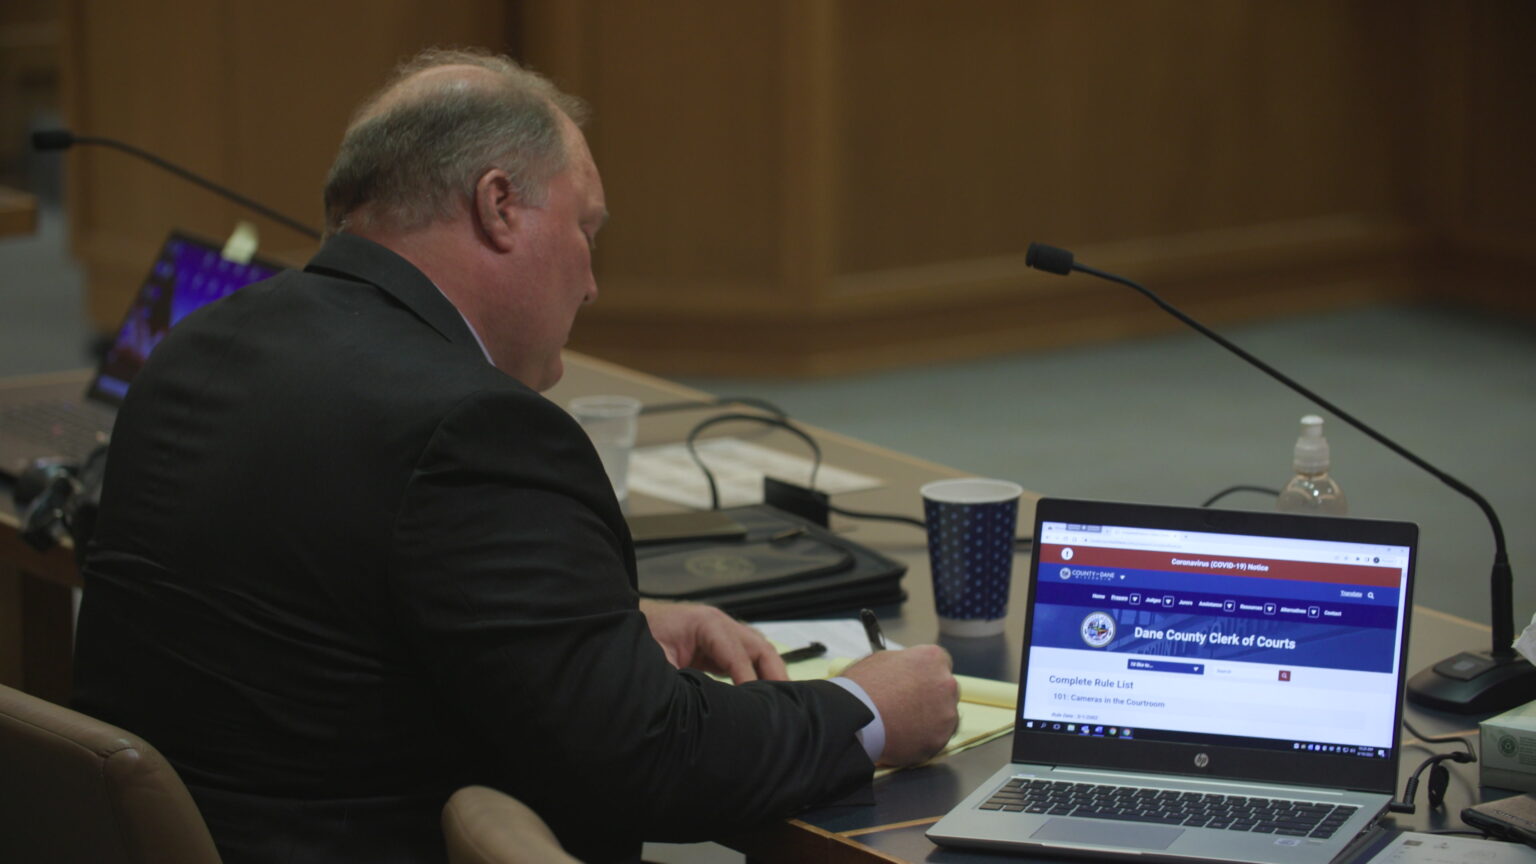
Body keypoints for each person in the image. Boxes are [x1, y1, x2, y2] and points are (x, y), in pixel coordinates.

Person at [71, 47, 959, 864]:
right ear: (500, 207)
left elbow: (302, 611)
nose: (592, 279)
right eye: (586, 230)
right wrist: (868, 708)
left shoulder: (199, 347)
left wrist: (585, 633)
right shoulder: (474, 428)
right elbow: (654, 762)